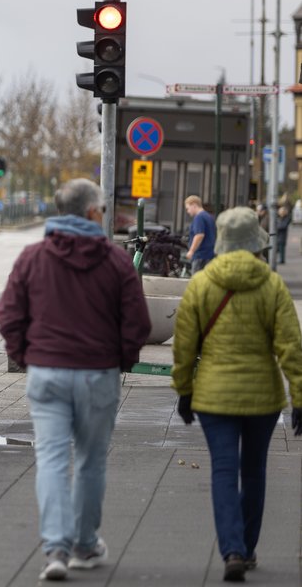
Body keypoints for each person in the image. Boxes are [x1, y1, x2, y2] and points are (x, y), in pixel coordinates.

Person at [0, 178, 151, 581]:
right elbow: (137, 323)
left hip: (47, 372)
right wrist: (122, 360)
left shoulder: (33, 257)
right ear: (92, 213)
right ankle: (85, 543)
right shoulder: (116, 261)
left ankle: (56, 550)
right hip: (98, 373)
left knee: (50, 458)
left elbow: (8, 315)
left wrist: (26, 355)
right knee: (90, 460)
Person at [171, 206, 302, 582]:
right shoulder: (272, 284)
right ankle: (246, 547)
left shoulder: (202, 283)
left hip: (213, 397)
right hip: (262, 398)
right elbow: (291, 347)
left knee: (224, 470)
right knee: (254, 471)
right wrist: (300, 398)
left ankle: (231, 549)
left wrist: (184, 390)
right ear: (256, 242)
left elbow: (184, 345)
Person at [185, 195, 216, 274]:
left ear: (194, 205)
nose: (188, 211)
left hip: (201, 256)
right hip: (210, 254)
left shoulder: (199, 217)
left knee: (196, 281)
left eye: (188, 208)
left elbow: (199, 235)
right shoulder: (209, 217)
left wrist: (191, 251)